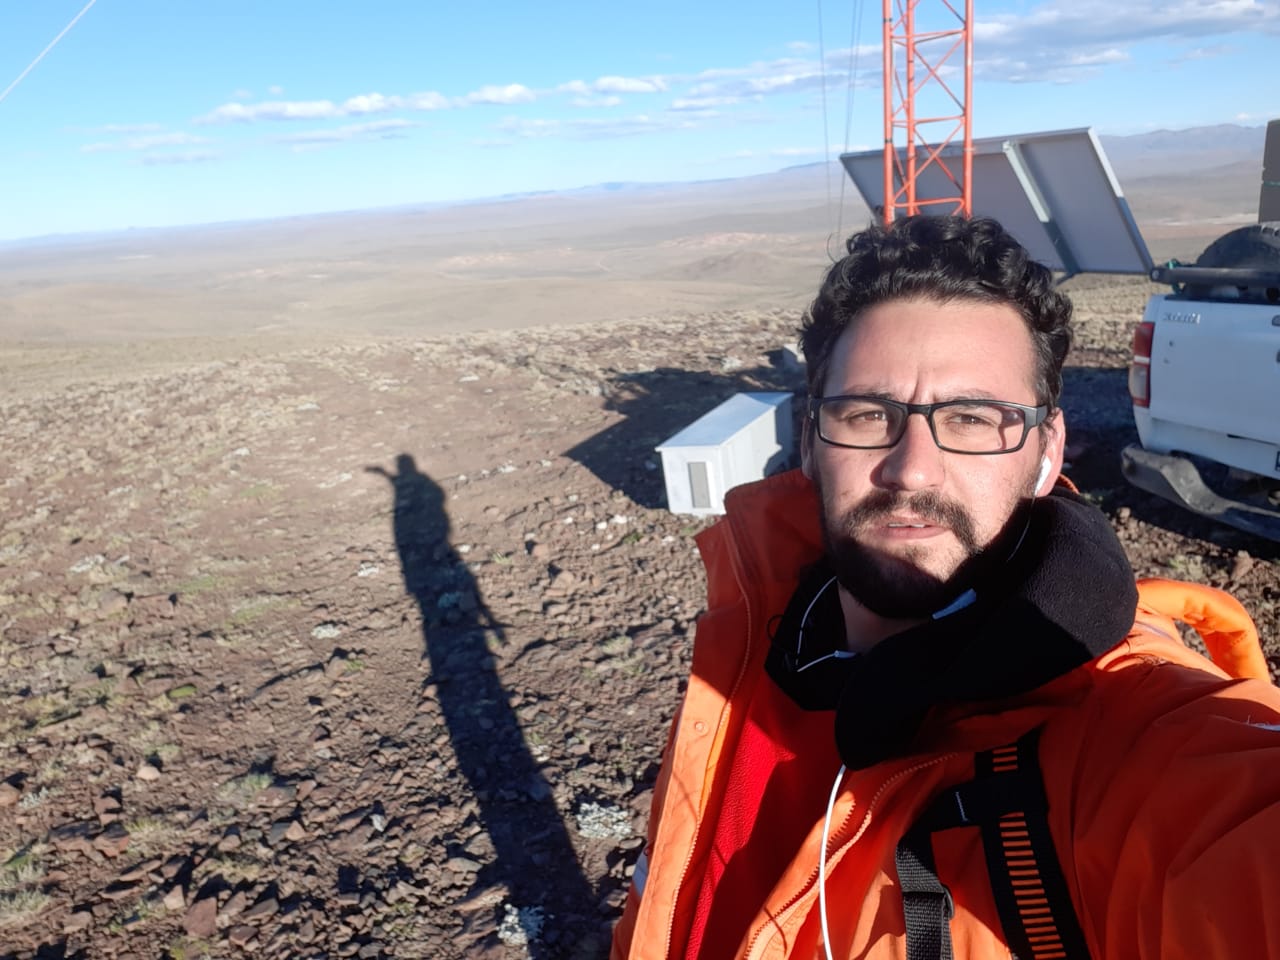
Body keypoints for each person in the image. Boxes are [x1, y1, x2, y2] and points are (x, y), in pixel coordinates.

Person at [611, 215, 1280, 960]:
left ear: (1047, 449)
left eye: (972, 418)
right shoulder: (752, 634)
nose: (911, 470)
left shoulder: (1142, 743)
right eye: (867, 414)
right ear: (808, 440)